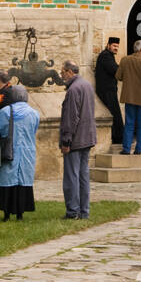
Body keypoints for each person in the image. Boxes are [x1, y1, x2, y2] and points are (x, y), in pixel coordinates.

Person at [0, 84, 40, 219]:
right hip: (27, 152)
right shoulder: (34, 113)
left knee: (7, 179)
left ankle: (6, 212)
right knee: (23, 181)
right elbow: (34, 130)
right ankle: (20, 213)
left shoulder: (6, 111)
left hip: (8, 150)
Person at [59, 61, 97, 219]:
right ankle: (84, 211)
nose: (61, 75)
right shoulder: (87, 85)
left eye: (62, 72)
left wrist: (66, 140)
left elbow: (71, 117)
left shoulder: (73, 90)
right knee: (83, 175)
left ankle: (73, 211)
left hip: (76, 140)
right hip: (87, 137)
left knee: (72, 176)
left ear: (69, 72)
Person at [116, 39, 141, 155]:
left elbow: (118, 76)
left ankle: (126, 148)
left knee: (129, 123)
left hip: (129, 97)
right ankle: (138, 149)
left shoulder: (125, 60)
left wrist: (129, 80)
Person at [94, 36, 124, 145]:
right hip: (106, 91)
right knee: (115, 114)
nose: (116, 48)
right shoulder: (105, 56)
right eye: (114, 46)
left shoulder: (109, 56)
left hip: (109, 90)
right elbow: (115, 70)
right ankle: (118, 138)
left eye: (117, 46)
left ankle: (118, 137)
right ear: (108, 45)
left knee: (115, 113)